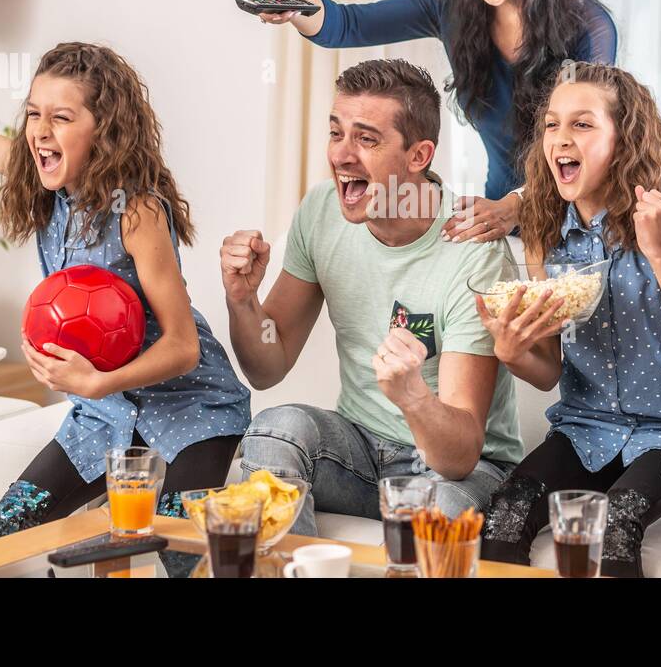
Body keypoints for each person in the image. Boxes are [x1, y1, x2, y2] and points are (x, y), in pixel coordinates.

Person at [0, 0, 251, 539]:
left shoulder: (139, 212)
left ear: (103, 130)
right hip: (103, 416)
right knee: (12, 522)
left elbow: (182, 347)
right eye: (34, 114)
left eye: (61, 117)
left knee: (178, 545)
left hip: (191, 410)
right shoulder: (43, 184)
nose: (40, 132)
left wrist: (96, 383)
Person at [220, 58, 523, 535]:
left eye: (366, 139)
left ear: (419, 155)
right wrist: (242, 300)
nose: (341, 156)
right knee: (274, 429)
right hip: (359, 448)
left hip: (458, 468)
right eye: (336, 133)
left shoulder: (472, 249)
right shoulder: (321, 210)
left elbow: (460, 454)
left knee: (436, 508)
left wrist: (414, 398)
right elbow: (267, 365)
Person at [249, 0, 616, 245]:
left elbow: (587, 144)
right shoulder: (450, 3)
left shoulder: (589, 28)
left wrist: (516, 205)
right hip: (499, 224)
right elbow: (349, 24)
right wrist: (297, 5)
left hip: (579, 222)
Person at [475, 62, 661, 577]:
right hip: (585, 427)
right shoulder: (543, 230)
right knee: (505, 515)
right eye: (552, 124)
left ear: (624, 139)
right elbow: (549, 370)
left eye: (582, 124)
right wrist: (510, 351)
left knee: (617, 521)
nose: (560, 139)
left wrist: (660, 253)